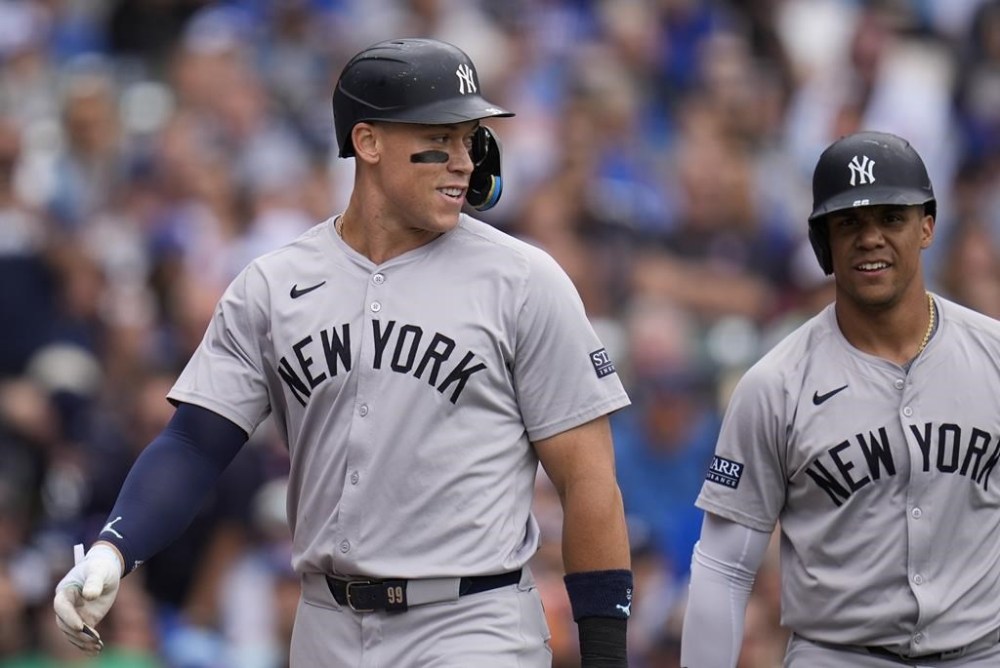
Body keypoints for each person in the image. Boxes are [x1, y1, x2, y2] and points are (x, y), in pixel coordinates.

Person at [52, 38, 634, 667]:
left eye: (472, 138)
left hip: (472, 622)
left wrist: (605, 655)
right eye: (442, 135)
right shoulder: (273, 285)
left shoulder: (524, 281)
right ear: (368, 142)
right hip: (325, 626)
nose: (464, 160)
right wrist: (114, 547)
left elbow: (588, 479)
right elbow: (195, 442)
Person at [680, 130, 1000, 667]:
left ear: (927, 226)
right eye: (849, 221)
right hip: (839, 655)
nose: (871, 237)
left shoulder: (993, 356)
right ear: (822, 241)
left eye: (891, 218)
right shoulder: (774, 385)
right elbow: (724, 567)